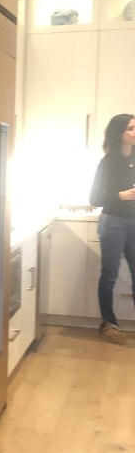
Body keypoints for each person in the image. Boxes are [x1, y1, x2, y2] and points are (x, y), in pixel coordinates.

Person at [89, 112, 135, 344]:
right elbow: (94, 198)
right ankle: (109, 323)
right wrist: (120, 195)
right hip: (113, 223)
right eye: (131, 128)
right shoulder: (108, 162)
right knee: (110, 275)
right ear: (119, 133)